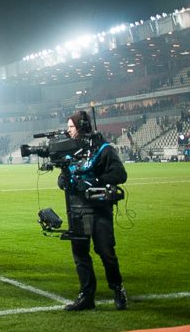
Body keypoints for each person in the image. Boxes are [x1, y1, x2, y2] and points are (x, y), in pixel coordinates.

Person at [62, 111, 128, 311]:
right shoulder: (70, 150)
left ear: (81, 126)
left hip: (99, 208)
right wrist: (63, 179)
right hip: (76, 209)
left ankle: (118, 289)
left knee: (106, 252)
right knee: (80, 254)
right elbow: (65, 177)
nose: (68, 130)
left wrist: (95, 181)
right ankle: (87, 296)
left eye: (71, 127)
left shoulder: (103, 148)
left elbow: (120, 174)